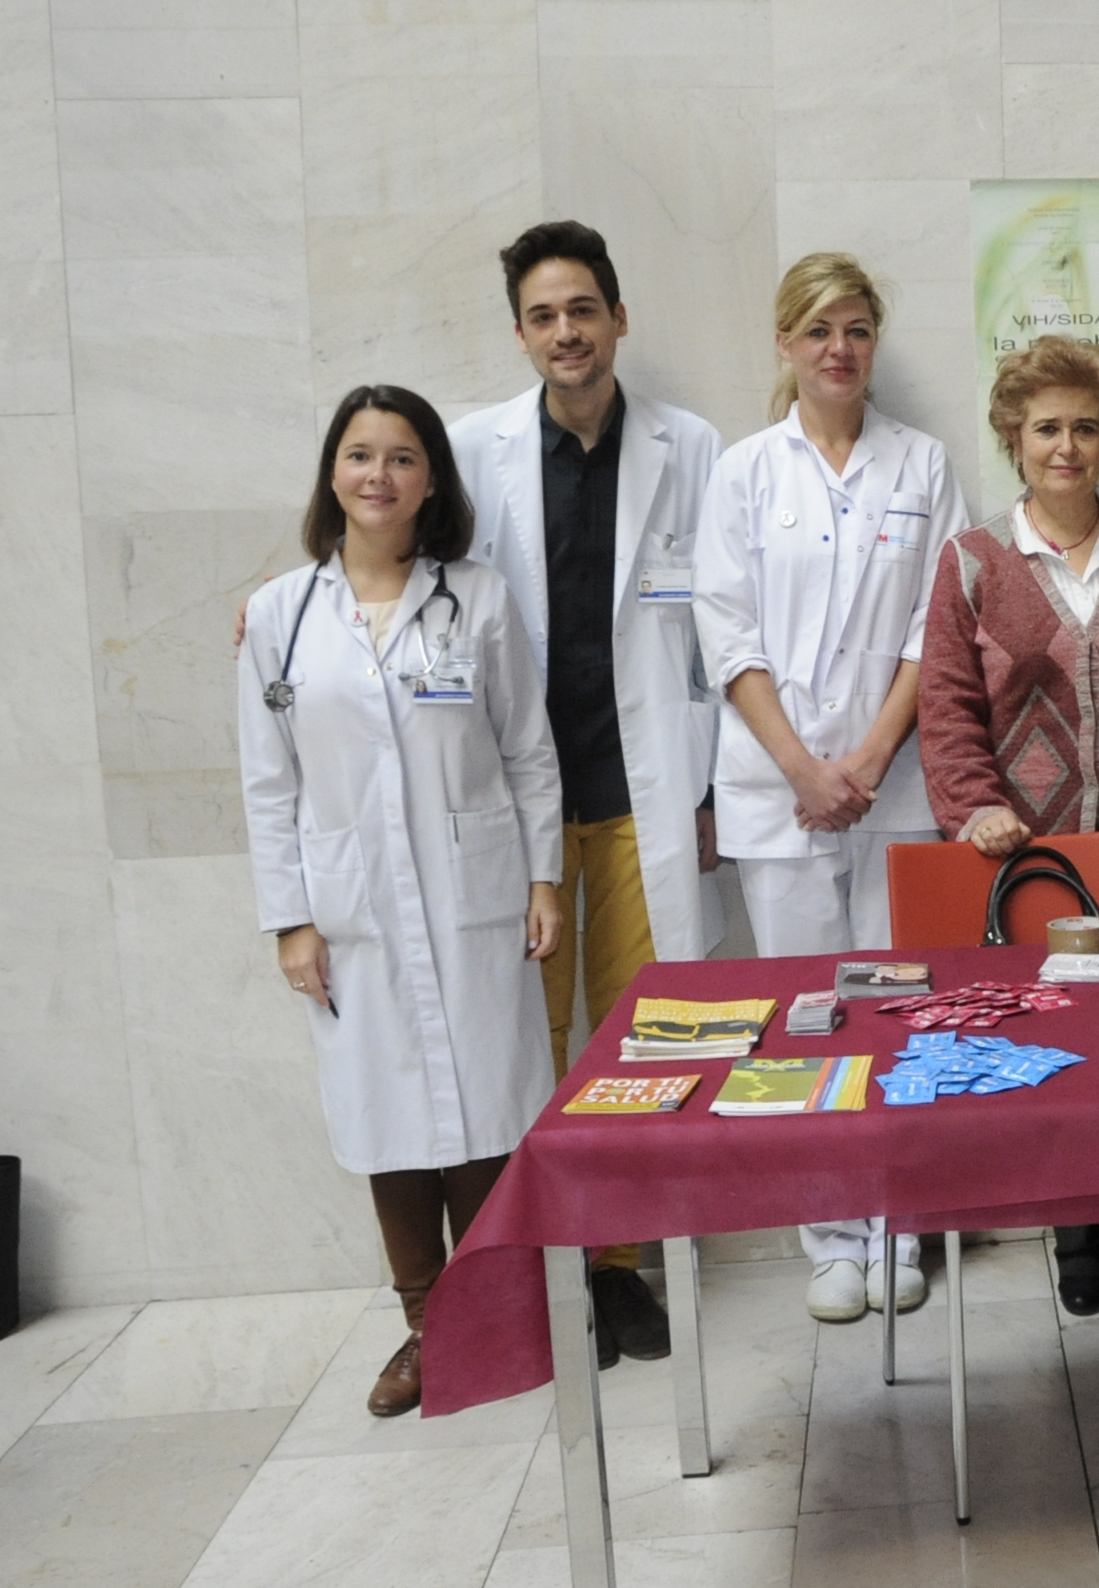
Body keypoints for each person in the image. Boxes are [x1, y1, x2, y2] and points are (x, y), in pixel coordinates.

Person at [237, 386, 564, 1418]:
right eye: (360, 454)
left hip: (476, 892)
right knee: (386, 1114)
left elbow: (527, 750)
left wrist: (544, 878)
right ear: (332, 472)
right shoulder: (281, 618)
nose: (378, 475)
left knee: (490, 1100)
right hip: (355, 909)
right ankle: (427, 1325)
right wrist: (291, 918)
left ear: (431, 481)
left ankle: (502, 1315)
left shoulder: (478, 600)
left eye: (403, 457)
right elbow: (269, 780)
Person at [447, 220, 726, 1369]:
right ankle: (539, 1268)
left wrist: (713, 791)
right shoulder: (470, 451)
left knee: (632, 1036)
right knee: (524, 1037)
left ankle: (616, 1268)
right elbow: (387, 555)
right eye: (544, 315)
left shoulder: (689, 446)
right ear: (521, 334)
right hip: (513, 806)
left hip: (636, 792)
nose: (567, 332)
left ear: (618, 319)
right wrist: (284, 601)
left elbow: (721, 629)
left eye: (583, 311)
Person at [694, 252, 970, 1324]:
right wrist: (805, 769)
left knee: (898, 1009)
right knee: (808, 1015)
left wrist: (865, 760)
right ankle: (831, 1239)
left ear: (874, 339)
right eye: (817, 330)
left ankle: (901, 1225)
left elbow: (935, 633)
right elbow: (728, 633)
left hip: (890, 787)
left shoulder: (922, 464)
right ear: (785, 343)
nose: (839, 348)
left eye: (855, 328)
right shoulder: (744, 472)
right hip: (779, 789)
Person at [917, 334, 1099, 1320]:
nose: (1066, 446)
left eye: (1086, 427)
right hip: (1030, 857)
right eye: (1046, 427)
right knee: (1054, 1048)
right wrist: (975, 806)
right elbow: (947, 707)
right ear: (1014, 436)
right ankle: (1076, 1233)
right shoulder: (973, 562)